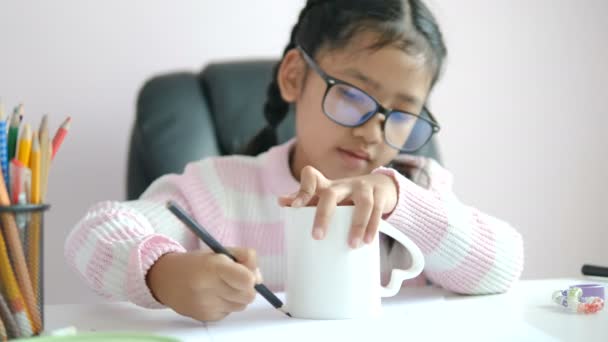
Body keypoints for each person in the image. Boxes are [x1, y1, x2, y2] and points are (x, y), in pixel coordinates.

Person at [65, 0, 523, 322]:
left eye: (401, 114)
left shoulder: (417, 188)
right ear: (293, 77)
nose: (371, 131)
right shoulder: (219, 191)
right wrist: (161, 273)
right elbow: (93, 233)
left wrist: (402, 203)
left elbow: (505, 265)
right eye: (351, 95)